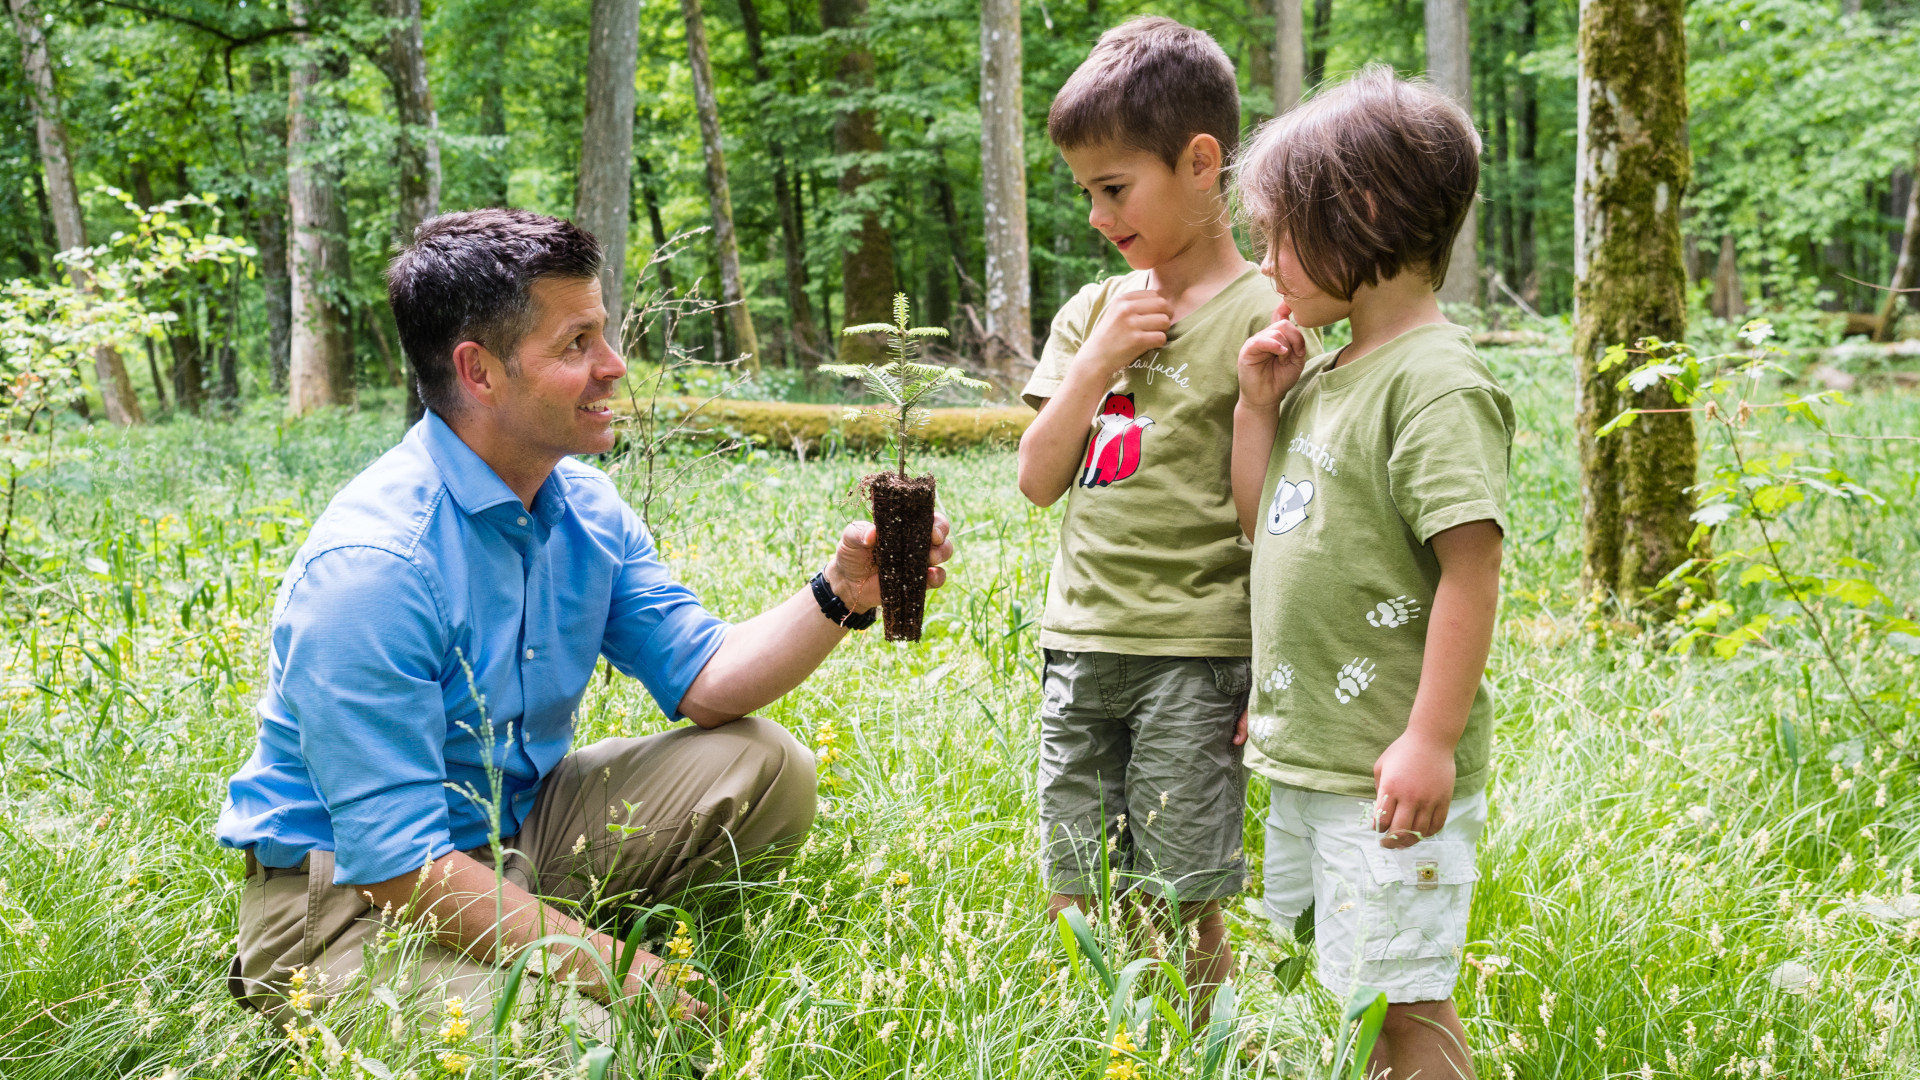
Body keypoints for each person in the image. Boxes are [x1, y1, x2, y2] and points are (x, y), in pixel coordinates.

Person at [216, 208, 953, 1021]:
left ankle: (546, 953)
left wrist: (842, 592)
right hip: (351, 893)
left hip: (511, 833)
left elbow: (708, 681)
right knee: (586, 1049)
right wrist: (620, 972)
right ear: (481, 371)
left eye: (604, 333)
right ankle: (347, 994)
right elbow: (400, 865)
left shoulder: (584, 510)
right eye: (577, 344)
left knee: (766, 766)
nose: (614, 365)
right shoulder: (373, 569)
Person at [1014, 16, 1319, 1008]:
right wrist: (1100, 359)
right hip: (1079, 642)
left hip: (1194, 648)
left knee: (1180, 894)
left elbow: (1277, 510)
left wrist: (1268, 666)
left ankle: (1201, 1045)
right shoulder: (1090, 312)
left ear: (1200, 163)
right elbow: (1036, 476)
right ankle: (1099, 1043)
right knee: (1076, 885)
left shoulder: (1267, 316)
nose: (1099, 216)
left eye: (1115, 189)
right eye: (1085, 193)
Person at [1231, 68, 1511, 1078]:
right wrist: (1259, 408)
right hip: (1320, 754)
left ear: (1364, 209)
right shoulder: (1332, 370)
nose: (1265, 263)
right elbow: (1270, 528)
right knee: (1358, 988)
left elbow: (1471, 574)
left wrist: (1431, 740)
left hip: (1389, 772)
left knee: (1405, 1000)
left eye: (1278, 235)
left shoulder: (1436, 384)